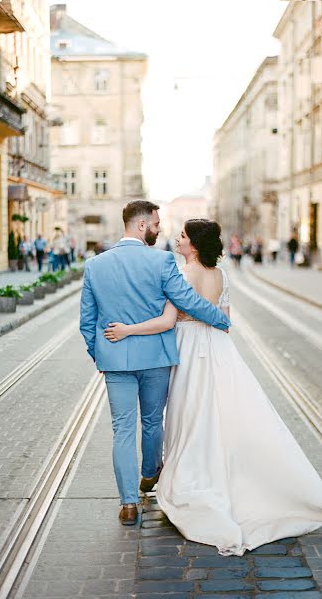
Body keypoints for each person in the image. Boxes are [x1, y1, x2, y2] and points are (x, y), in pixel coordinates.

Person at [104, 218, 322, 555]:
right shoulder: (222, 275)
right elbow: (225, 322)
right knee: (220, 413)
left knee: (189, 414)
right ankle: (234, 474)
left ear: (194, 244)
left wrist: (127, 330)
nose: (177, 239)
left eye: (182, 236)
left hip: (188, 349)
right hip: (217, 348)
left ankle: (195, 476)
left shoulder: (185, 273)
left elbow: (169, 321)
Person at [79, 201, 230, 526]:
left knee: (122, 429)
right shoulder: (162, 261)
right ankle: (149, 474)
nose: (161, 229)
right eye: (157, 224)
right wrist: (220, 319)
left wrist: (102, 354)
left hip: (115, 358)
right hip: (156, 358)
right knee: (152, 422)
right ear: (142, 225)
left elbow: (86, 321)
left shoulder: (95, 265)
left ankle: (129, 504)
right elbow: (187, 301)